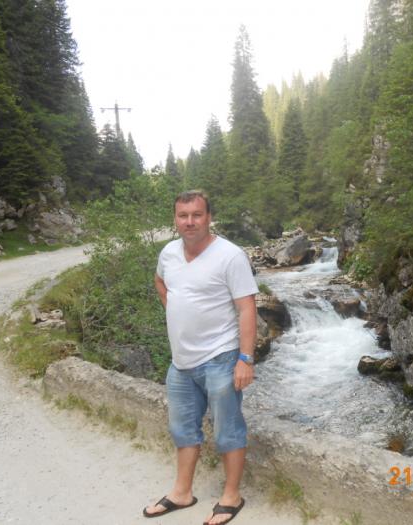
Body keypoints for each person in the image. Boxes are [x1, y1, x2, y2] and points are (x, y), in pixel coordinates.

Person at [143, 190, 258, 525]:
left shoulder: (230, 256)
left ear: (209, 217)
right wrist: (175, 310)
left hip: (221, 357)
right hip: (181, 362)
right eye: (183, 215)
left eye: (196, 215)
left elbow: (247, 308)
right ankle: (182, 493)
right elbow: (160, 281)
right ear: (175, 219)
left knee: (228, 429)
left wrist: (245, 359)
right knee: (182, 429)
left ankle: (231, 496)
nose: (189, 222)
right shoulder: (169, 253)